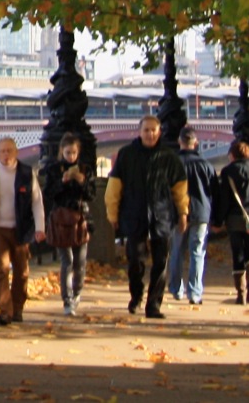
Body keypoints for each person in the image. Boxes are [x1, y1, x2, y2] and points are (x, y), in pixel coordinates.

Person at [105, 115, 188, 319]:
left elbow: (180, 188)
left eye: (153, 130)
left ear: (159, 132)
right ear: (139, 132)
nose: (150, 134)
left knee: (161, 261)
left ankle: (154, 304)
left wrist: (183, 212)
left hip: (162, 216)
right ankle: (136, 295)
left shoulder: (169, 157)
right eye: (146, 130)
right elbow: (114, 186)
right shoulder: (127, 155)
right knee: (135, 260)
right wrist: (112, 213)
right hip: (134, 215)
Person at [0, 136, 46, 325]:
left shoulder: (26, 173)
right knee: (2, 269)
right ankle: (5, 311)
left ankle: (17, 308)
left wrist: (40, 228)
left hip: (21, 230)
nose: (6, 155)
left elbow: (37, 202)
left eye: (9, 151)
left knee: (22, 271)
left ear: (16, 152)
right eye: (2, 151)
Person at [43, 132, 93, 316]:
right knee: (67, 260)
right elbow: (49, 194)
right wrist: (62, 182)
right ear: (61, 151)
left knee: (80, 262)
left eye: (73, 152)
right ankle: (67, 299)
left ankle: (77, 292)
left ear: (78, 152)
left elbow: (91, 195)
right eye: (67, 152)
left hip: (80, 219)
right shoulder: (54, 170)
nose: (71, 156)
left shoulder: (85, 170)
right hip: (61, 220)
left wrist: (82, 182)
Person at [214, 139, 249, 303]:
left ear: (233, 154)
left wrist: (218, 220)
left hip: (234, 217)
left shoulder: (227, 171)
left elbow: (224, 199)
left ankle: (241, 293)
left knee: (237, 253)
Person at [169, 128, 215, 305]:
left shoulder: (173, 164)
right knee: (197, 252)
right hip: (200, 212)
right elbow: (213, 191)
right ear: (196, 143)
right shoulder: (205, 165)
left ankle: (176, 288)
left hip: (177, 213)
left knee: (176, 251)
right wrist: (216, 217)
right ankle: (195, 292)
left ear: (179, 142)